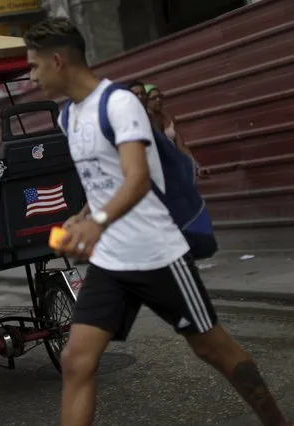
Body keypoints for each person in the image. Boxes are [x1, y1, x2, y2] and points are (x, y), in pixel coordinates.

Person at [23, 17, 290, 426]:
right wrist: (80, 219)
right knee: (76, 360)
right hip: (111, 261)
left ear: (57, 61)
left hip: (157, 254)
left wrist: (96, 223)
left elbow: (137, 177)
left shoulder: (117, 103)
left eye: (34, 66)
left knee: (212, 349)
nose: (31, 76)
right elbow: (101, 185)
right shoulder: (67, 118)